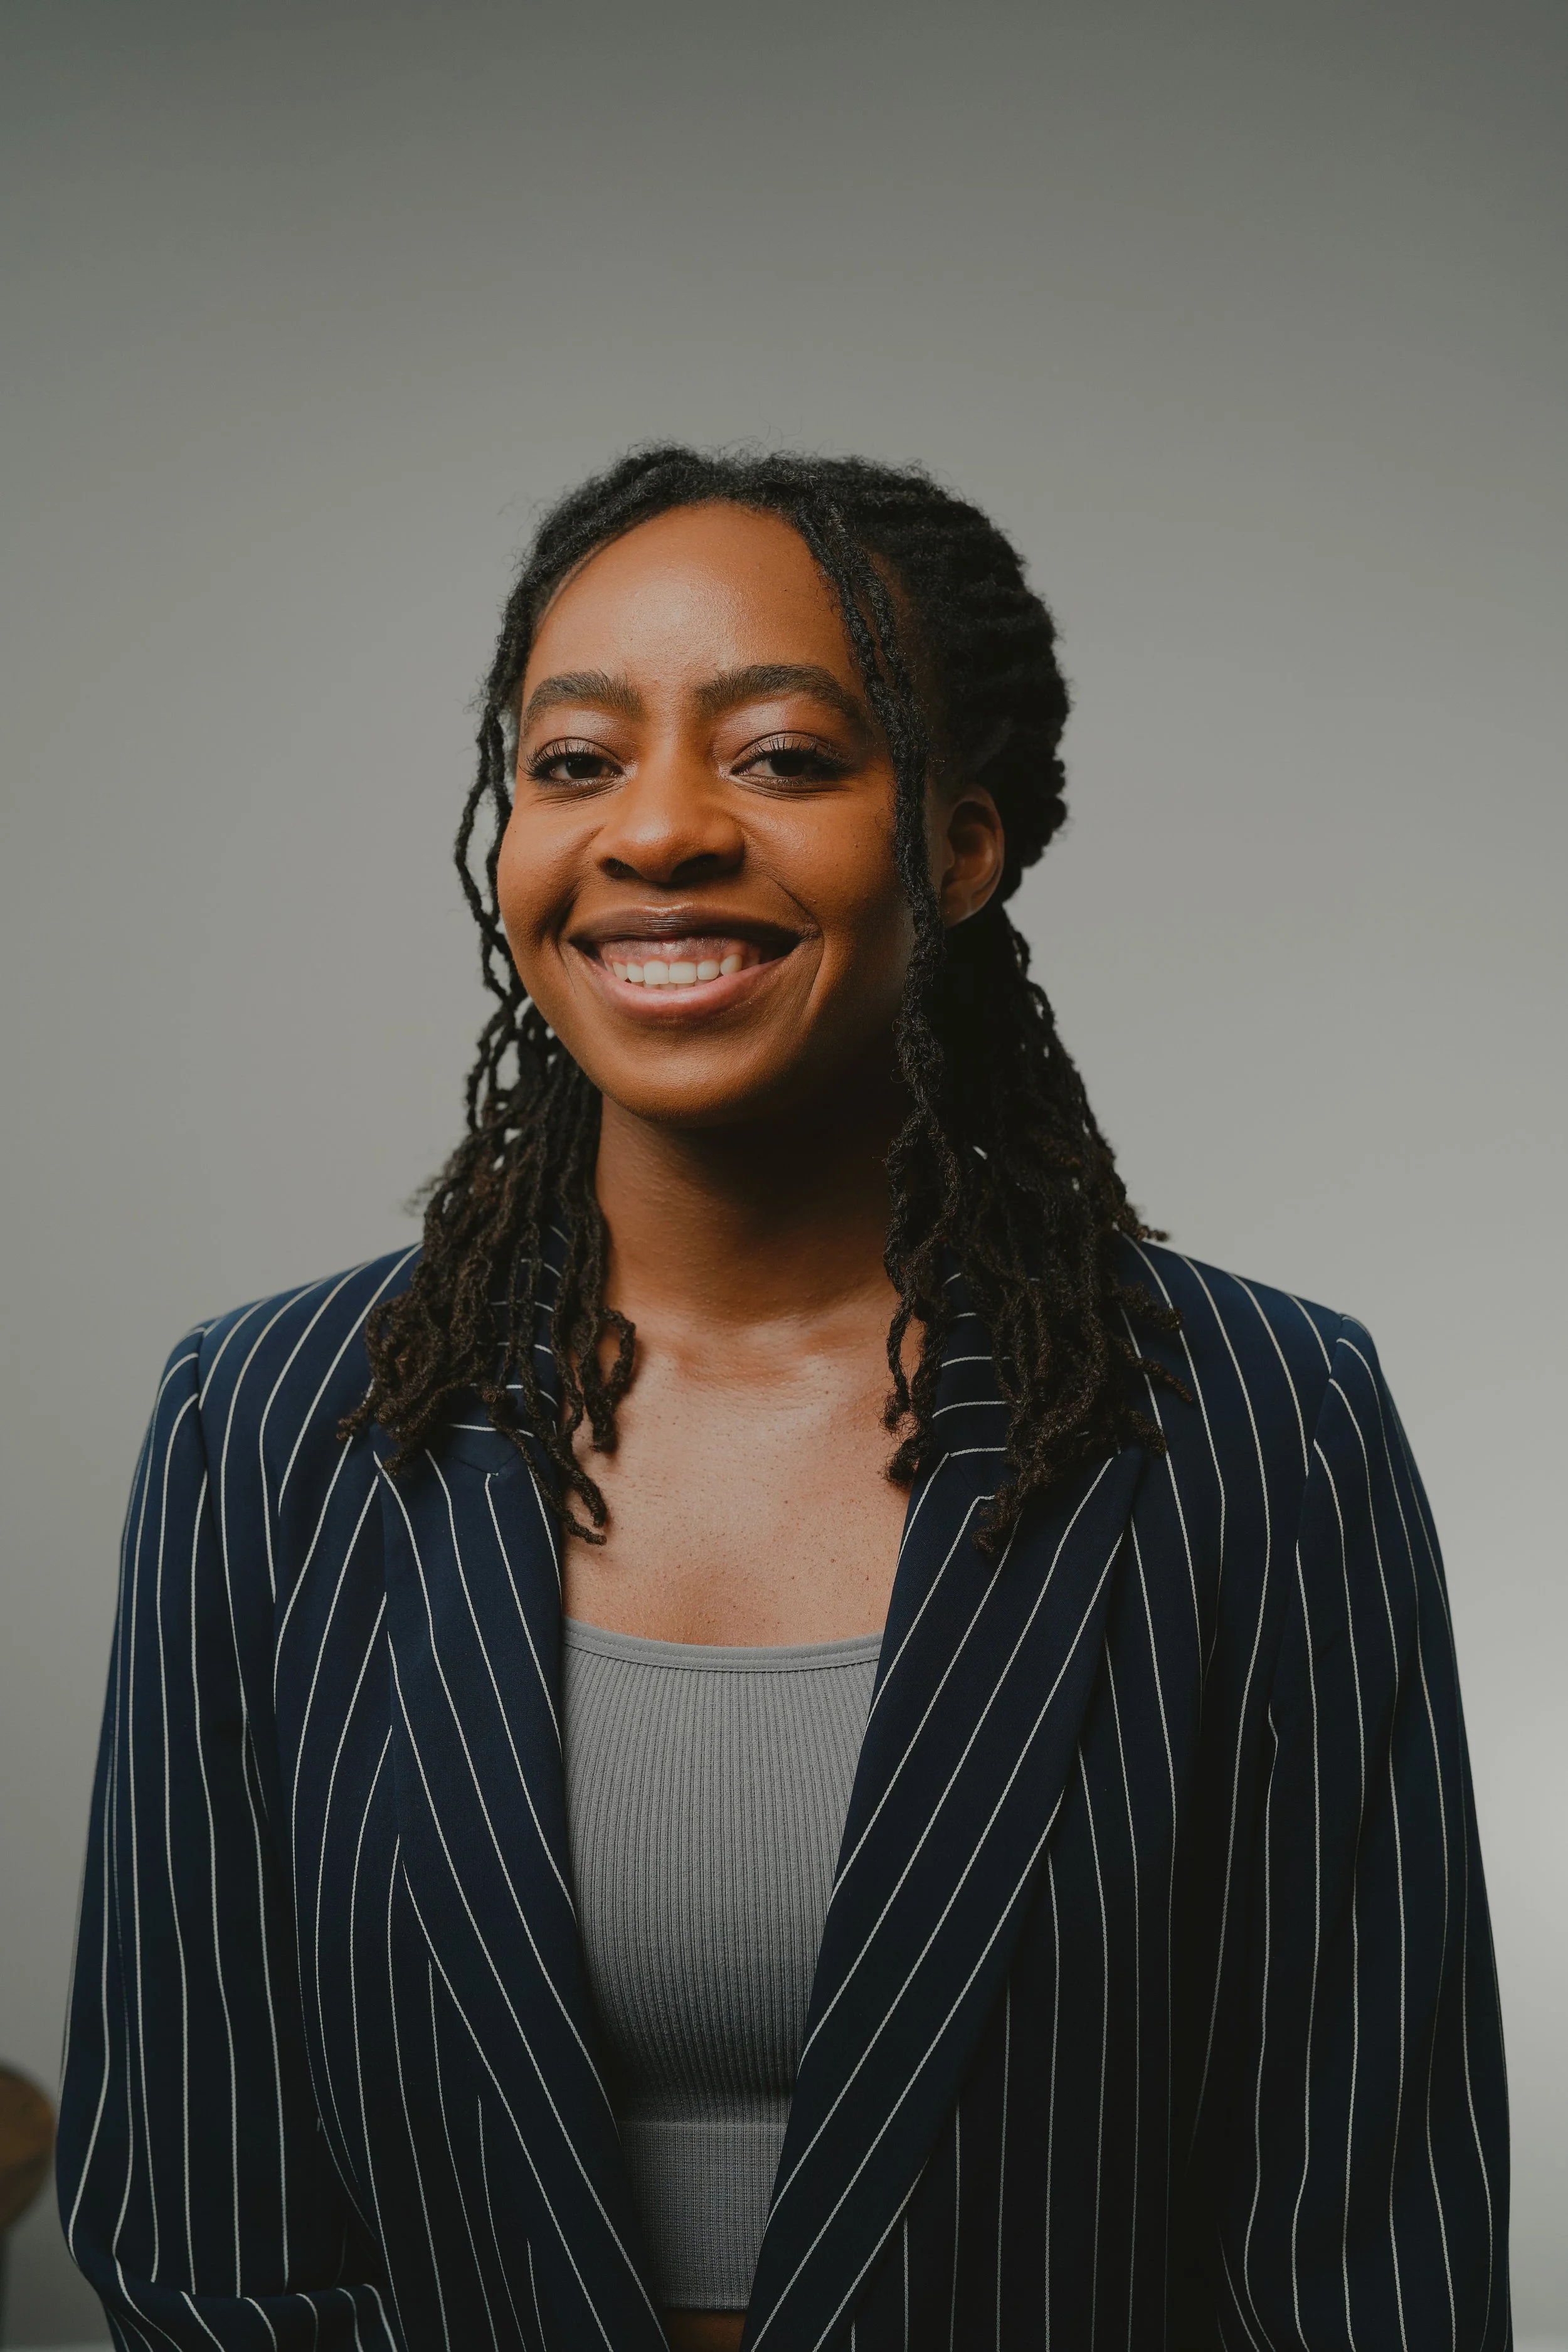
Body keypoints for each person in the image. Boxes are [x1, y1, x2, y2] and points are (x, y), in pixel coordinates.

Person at [57, 448, 1510, 2352]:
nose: (654, 829)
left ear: (962, 843)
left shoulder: (1261, 1425)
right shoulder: (263, 1431)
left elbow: (1367, 2246)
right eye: (573, 760)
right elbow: (198, 2228)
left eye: (782, 757)